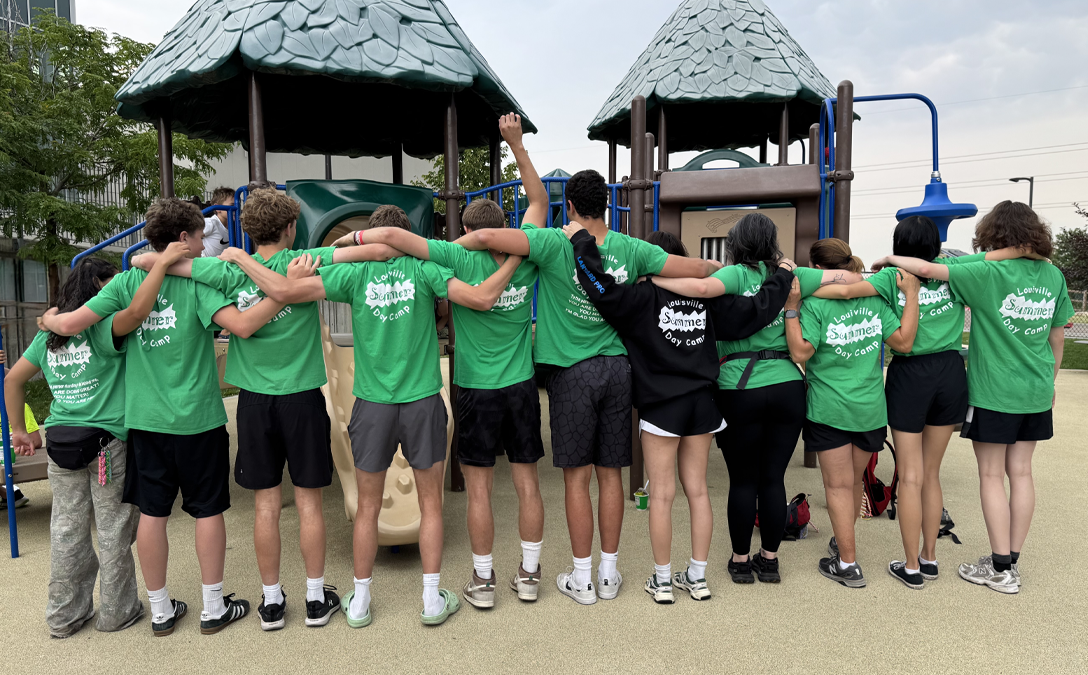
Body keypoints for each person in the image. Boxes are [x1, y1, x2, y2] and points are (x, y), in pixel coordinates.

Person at [220, 204, 520, 627]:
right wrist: (513, 259)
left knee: (367, 507)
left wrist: (239, 256)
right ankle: (431, 599)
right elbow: (482, 299)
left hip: (371, 405)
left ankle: (360, 601)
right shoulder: (425, 269)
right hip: (421, 401)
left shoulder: (353, 274)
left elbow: (284, 292)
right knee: (431, 505)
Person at [132, 188, 403, 630]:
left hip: (254, 402)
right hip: (302, 397)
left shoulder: (224, 269)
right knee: (309, 502)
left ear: (250, 231)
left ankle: (272, 603)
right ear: (291, 228)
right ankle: (315, 599)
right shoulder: (307, 260)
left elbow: (146, 261)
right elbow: (381, 249)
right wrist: (344, 242)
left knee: (265, 505)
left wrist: (229, 260)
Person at [454, 159, 718, 606]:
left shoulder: (553, 242)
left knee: (577, 480)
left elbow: (485, 238)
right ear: (608, 205)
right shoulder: (633, 249)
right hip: (618, 371)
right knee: (610, 475)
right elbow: (699, 269)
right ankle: (609, 575)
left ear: (571, 206)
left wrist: (460, 245)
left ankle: (582, 579)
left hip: (572, 373)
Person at [41, 198, 295, 637]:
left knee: (153, 514)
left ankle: (160, 611)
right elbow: (242, 325)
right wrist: (284, 293)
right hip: (198, 418)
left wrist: (49, 318)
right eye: (199, 237)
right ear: (182, 238)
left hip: (146, 421)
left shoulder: (126, 282)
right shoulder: (196, 283)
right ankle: (213, 607)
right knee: (207, 511)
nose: (203, 245)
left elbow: (69, 325)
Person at [338, 114, 546, 609]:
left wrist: (350, 241)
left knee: (478, 490)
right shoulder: (529, 251)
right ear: (504, 230)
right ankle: (530, 574)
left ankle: (483, 579)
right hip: (520, 383)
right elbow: (538, 202)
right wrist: (516, 146)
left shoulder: (452, 257)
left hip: (474, 385)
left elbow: (396, 241)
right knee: (527, 483)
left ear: (468, 230)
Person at [567, 222, 793, 603]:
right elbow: (753, 312)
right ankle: (698, 578)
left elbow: (600, 288)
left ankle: (662, 583)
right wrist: (782, 276)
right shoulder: (707, 297)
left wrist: (582, 243)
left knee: (662, 495)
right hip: (703, 402)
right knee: (698, 491)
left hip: (661, 404)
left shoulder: (640, 295)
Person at [812, 216, 1035, 588]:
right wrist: (1033, 250)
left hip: (910, 375)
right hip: (950, 372)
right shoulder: (953, 270)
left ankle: (912, 566)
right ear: (936, 244)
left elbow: (846, 291)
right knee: (930, 474)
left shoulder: (891, 277)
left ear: (899, 244)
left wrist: (799, 291)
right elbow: (996, 256)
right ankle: (930, 558)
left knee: (911, 476)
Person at [872, 201, 1072, 594]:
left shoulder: (983, 271)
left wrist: (890, 259)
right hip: (1031, 388)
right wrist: (1050, 382)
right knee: (1021, 473)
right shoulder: (1053, 274)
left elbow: (927, 270)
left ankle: (991, 567)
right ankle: (1006, 562)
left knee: (983, 475)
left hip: (991, 388)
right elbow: (1057, 337)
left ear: (993, 235)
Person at [651, 214, 861, 584]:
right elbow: (850, 282)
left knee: (743, 480)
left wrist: (652, 278)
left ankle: (740, 562)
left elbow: (699, 289)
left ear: (736, 245)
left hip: (739, 387)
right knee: (773, 478)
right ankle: (770, 561)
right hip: (787, 387)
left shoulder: (734, 275)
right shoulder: (793, 275)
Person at [5, 253, 188, 637]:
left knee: (66, 531)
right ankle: (118, 612)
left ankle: (64, 617)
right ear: (97, 290)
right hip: (106, 445)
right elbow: (137, 312)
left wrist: (19, 430)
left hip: (60, 445)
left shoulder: (47, 337)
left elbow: (12, 380)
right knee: (114, 530)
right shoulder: (104, 328)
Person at [784, 238, 920, 588]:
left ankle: (847, 563)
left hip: (829, 408)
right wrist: (913, 297)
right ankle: (842, 544)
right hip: (870, 409)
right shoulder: (875, 298)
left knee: (837, 486)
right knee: (854, 483)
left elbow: (799, 352)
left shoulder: (814, 303)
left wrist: (792, 309)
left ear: (817, 269)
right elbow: (904, 342)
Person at [0, 400, 42, 509]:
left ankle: (8, 494)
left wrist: (16, 445)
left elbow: (36, 441)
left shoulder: (17, 406)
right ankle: (7, 494)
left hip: (13, 458)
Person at [202, 187, 235, 258]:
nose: (235, 209)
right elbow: (191, 235)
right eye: (232, 205)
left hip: (218, 263)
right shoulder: (211, 223)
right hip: (205, 262)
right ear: (218, 208)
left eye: (237, 205)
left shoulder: (232, 227)